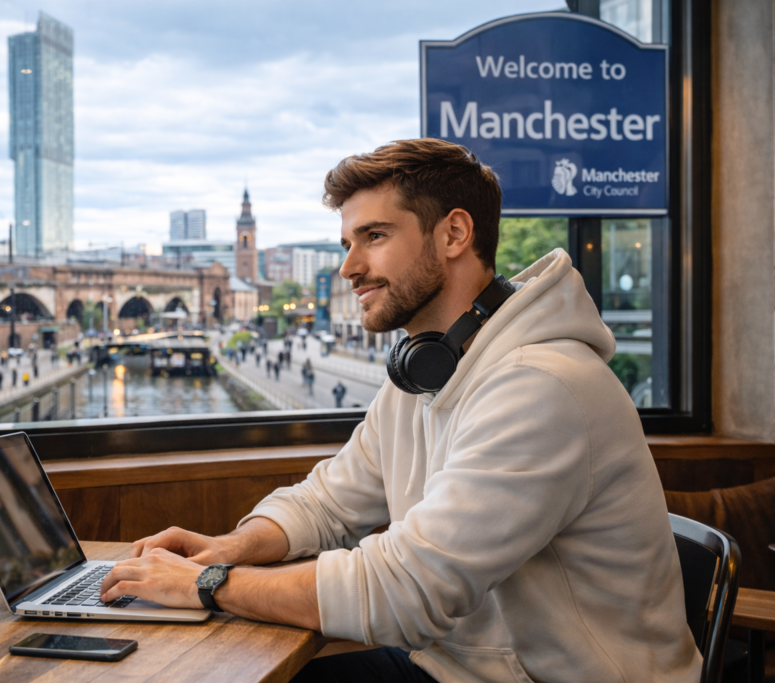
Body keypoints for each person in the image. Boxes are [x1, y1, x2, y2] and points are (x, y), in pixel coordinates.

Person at [98, 139, 698, 683]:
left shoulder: (541, 388)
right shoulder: (425, 373)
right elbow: (327, 501)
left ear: (454, 235)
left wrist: (207, 585)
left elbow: (407, 589)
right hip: (452, 668)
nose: (348, 267)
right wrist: (229, 547)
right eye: (346, 243)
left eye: (374, 237)